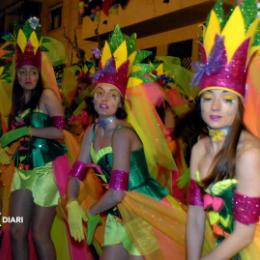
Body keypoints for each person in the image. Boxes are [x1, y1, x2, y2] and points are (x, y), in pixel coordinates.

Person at [67, 25, 186, 260]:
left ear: (121, 102)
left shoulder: (122, 133)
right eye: (100, 92)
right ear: (92, 96)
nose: (104, 99)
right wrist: (71, 202)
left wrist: (90, 212)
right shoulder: (91, 131)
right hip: (117, 210)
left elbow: (118, 191)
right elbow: (77, 171)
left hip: (145, 211)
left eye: (113, 95)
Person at [0, 18, 93, 260]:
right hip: (21, 171)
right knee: (16, 229)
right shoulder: (18, 100)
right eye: (22, 72)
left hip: (45, 172)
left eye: (32, 71)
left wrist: (26, 131)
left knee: (40, 232)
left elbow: (59, 133)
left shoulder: (48, 95)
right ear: (17, 74)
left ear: (39, 72)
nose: (27, 76)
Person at [187, 1, 260, 259]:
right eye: (208, 97)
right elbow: (195, 216)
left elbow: (244, 234)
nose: (215, 107)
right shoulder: (199, 148)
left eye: (227, 99)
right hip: (216, 246)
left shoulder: (249, 153)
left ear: (239, 104)